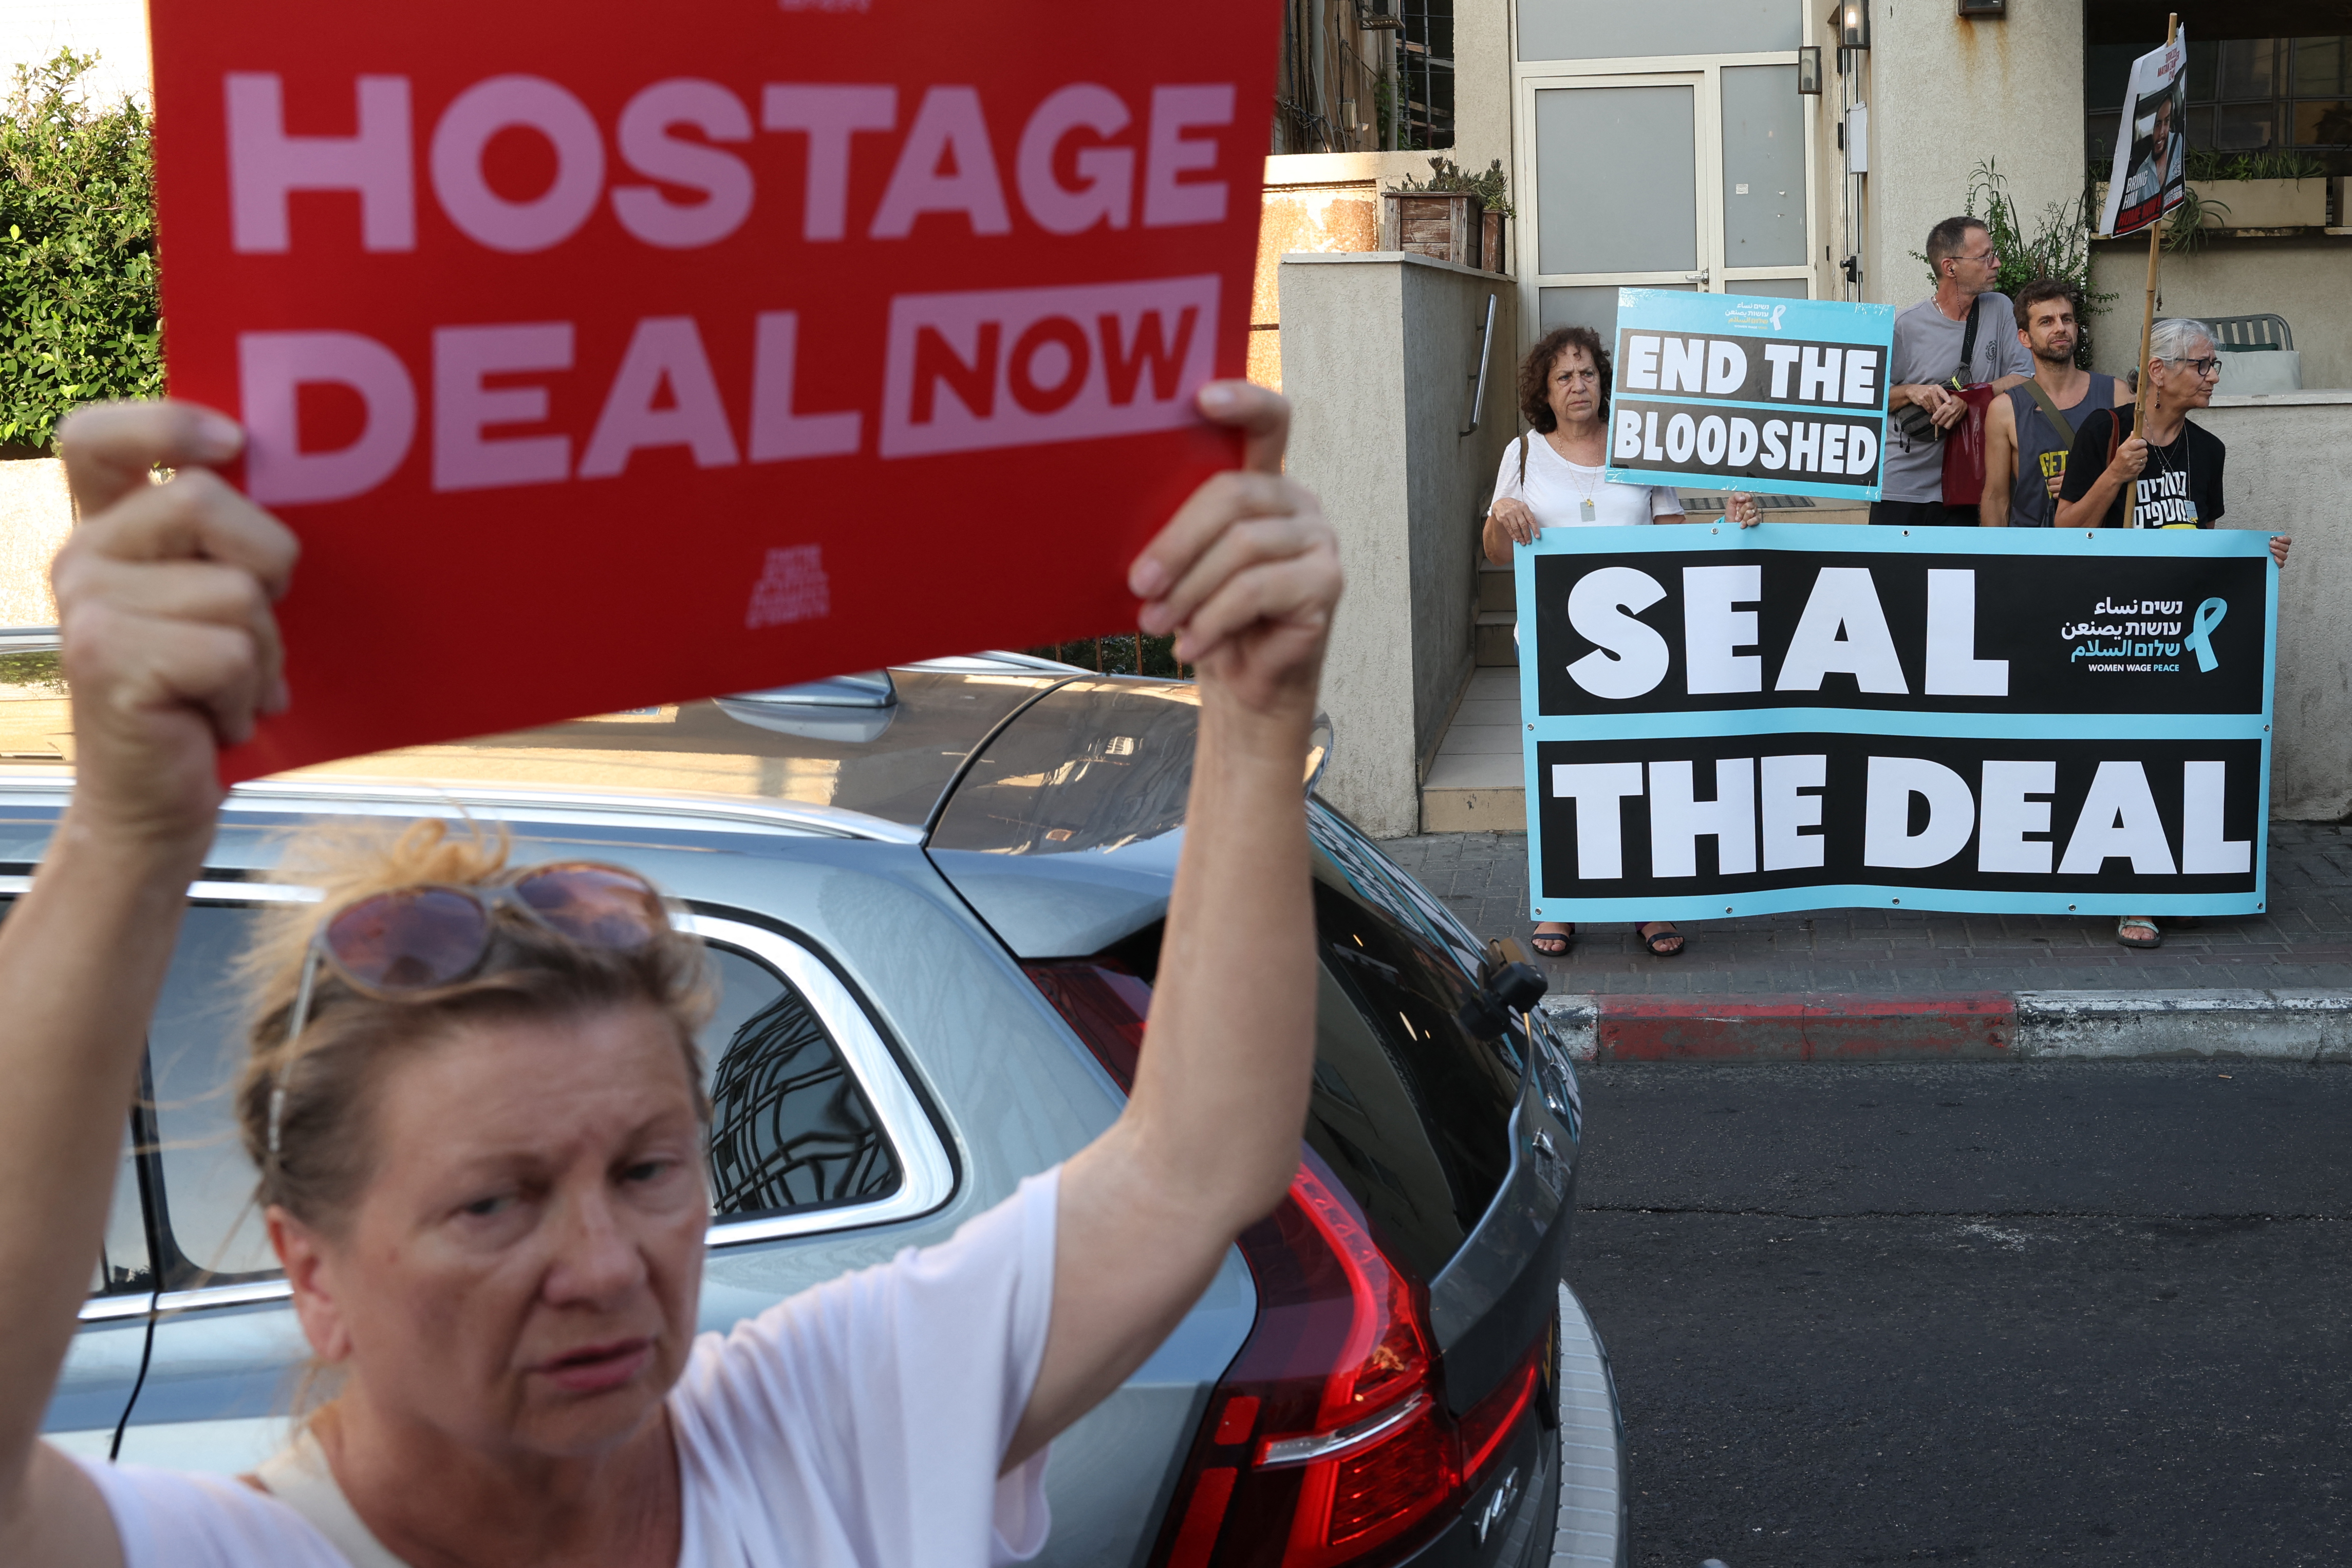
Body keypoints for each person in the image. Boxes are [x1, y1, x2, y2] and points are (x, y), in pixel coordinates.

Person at [0, 383, 1343, 1567]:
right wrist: (128, 833)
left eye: (648, 1169)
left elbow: (1194, 1161)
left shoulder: (823, 1430)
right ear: (312, 1271)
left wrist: (1254, 710)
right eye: (493, 1202)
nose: (604, 1265)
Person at [1482, 324, 1760, 961]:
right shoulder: (1522, 455)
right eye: (1563, 377)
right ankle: (1561, 903)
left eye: (1587, 373)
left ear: (1603, 381)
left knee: (1642, 769)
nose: (1577, 385)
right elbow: (1497, 552)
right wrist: (1502, 515)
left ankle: (1648, 899)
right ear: (1544, 392)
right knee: (1562, 771)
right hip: (1552, 644)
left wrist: (1728, 524)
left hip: (1640, 649)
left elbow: (1675, 541)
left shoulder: (1639, 449)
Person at [2056, 317, 2291, 950]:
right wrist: (2114, 475)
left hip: (2176, 637)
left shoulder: (2208, 451)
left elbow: (2206, 554)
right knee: (2121, 761)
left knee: (2175, 755)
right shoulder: (2106, 432)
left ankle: (2171, 881)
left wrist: (2257, 557)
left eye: (2214, 366)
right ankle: (2131, 892)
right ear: (2158, 372)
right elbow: (2062, 531)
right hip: (2111, 630)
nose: (2213, 376)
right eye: (2202, 364)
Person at [1876, 216, 2033, 528]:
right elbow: (1870, 397)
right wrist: (1911, 391)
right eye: (1984, 257)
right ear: (1950, 268)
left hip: (1970, 485)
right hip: (1903, 489)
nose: (1997, 263)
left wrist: (1970, 399)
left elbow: (2025, 378)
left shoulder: (2000, 308)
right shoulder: (1905, 326)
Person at [1979, 277, 2121, 528]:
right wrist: (1995, 552)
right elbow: (1996, 498)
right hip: (2034, 544)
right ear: (2024, 338)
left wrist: (2089, 484)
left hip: (2101, 543)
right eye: (2046, 322)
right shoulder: (2005, 410)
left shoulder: (2117, 395)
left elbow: (2140, 477)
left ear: (2076, 328)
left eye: (2066, 319)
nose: (2060, 328)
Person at [2118, 85, 2185, 215]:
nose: (2162, 132)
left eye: (2167, 122)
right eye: (2158, 125)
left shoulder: (2178, 144)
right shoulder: (2142, 172)